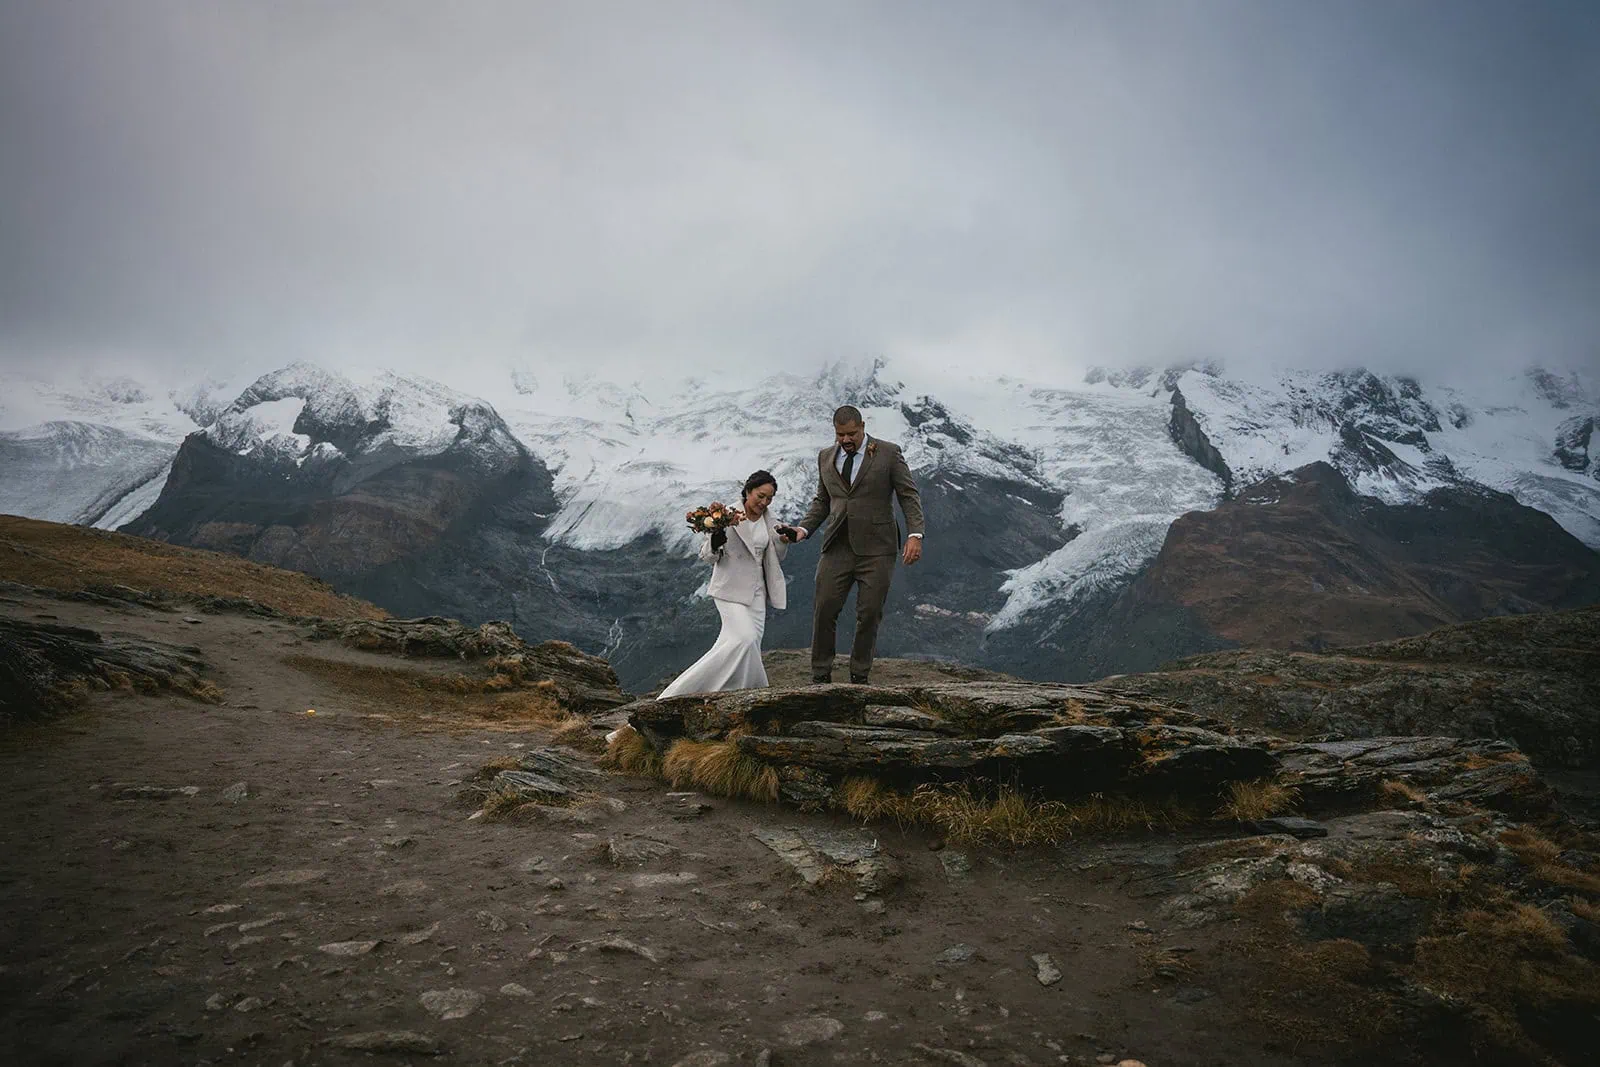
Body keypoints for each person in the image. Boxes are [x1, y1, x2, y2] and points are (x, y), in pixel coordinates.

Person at [783, 405, 924, 684]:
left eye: (851, 434)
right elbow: (823, 501)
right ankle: (820, 674)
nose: (846, 440)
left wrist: (915, 534)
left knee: (869, 613)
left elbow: (908, 494)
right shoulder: (825, 457)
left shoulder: (888, 452)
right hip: (836, 546)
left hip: (878, 549)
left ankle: (860, 675)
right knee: (824, 608)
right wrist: (803, 529)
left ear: (862, 426)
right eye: (840, 435)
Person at [656, 470, 789, 697]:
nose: (764, 502)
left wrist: (784, 541)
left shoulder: (771, 520)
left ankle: (735, 697)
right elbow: (707, 556)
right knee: (744, 640)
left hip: (758, 593)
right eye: (760, 496)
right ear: (748, 491)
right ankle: (677, 695)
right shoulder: (726, 515)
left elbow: (777, 556)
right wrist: (716, 541)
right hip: (729, 590)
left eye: (769, 498)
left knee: (749, 648)